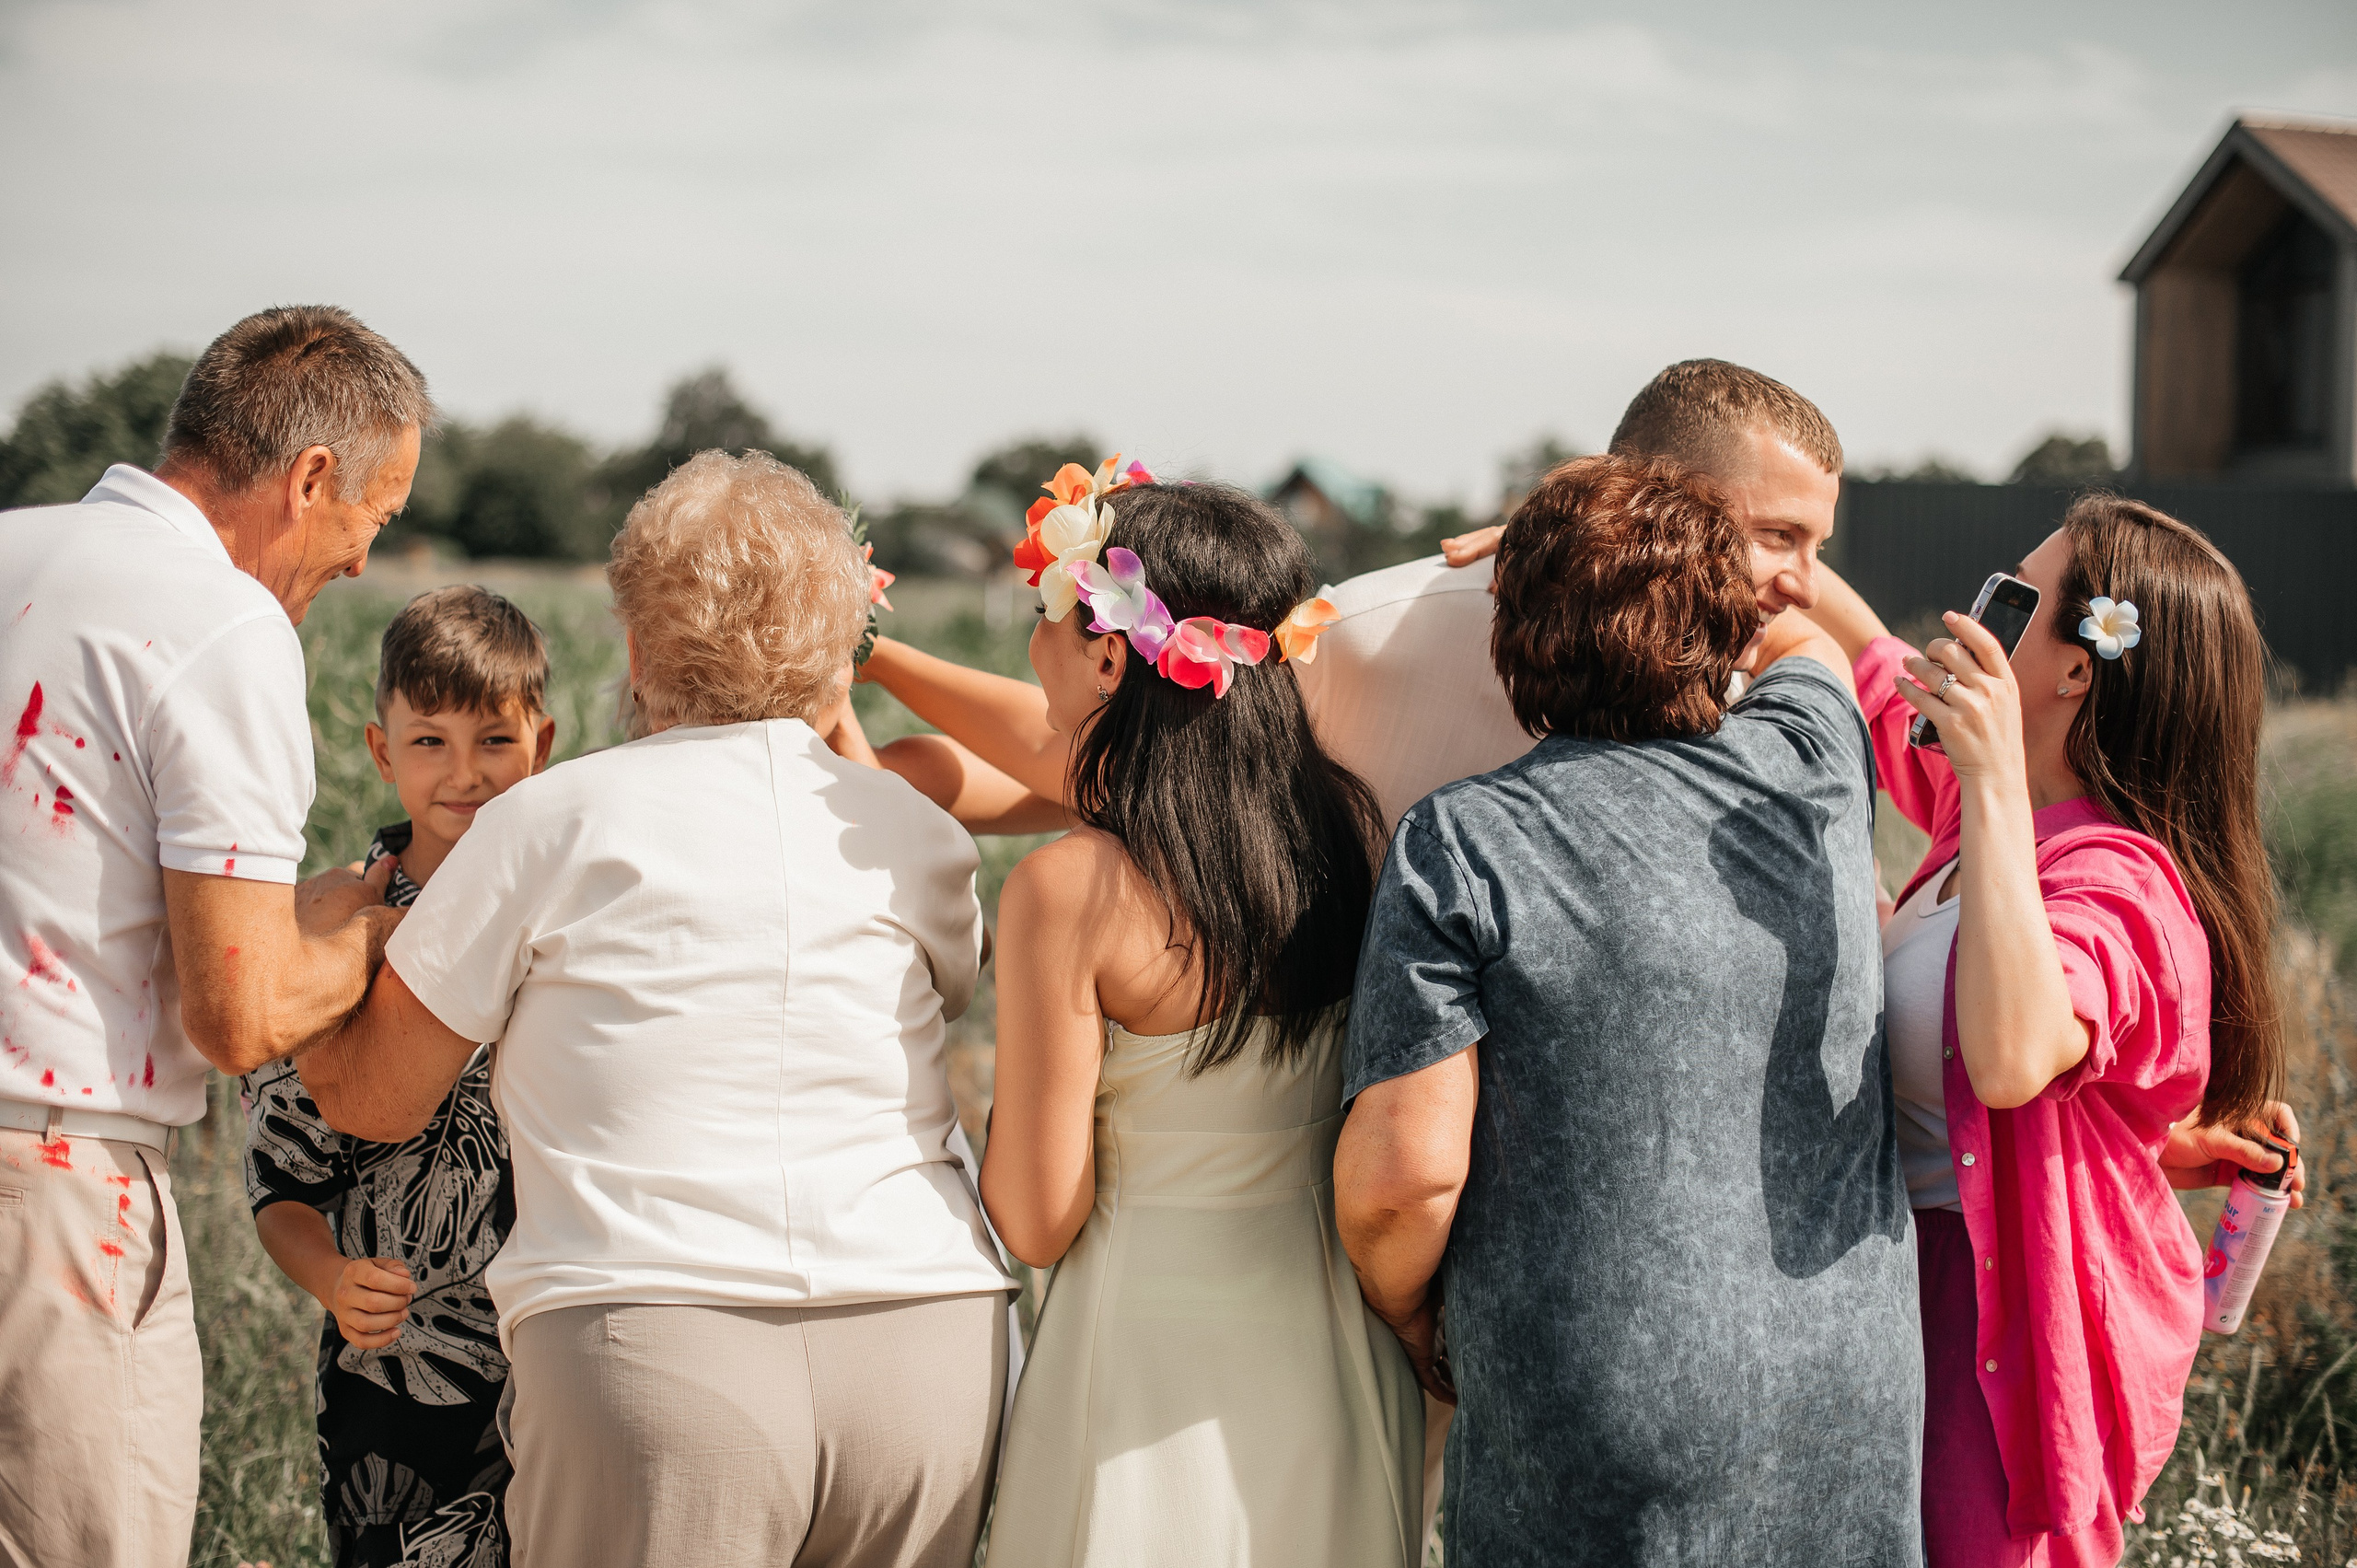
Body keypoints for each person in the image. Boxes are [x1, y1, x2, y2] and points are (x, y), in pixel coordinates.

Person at [298, 451, 1015, 1568]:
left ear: (636, 648)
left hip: (656, 1341)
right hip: (929, 1343)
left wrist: (331, 934)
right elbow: (954, 984)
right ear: (833, 652)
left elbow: (374, 1098)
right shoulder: (913, 831)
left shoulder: (548, 819)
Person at [1296, 356, 1852, 1543]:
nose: (1802, 583)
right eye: (1776, 536)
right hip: (1806, 1369)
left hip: (1483, 1318)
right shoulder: (1806, 746)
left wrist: (1412, 1316)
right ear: (1663, 495)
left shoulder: (1757, 702)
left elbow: (1405, 1176)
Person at [858, 461, 1426, 1566]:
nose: (1033, 643)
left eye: (1045, 615)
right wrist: (869, 655)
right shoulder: (1351, 829)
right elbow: (1066, 755)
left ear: (1110, 654)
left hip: (1141, 1362)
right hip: (1333, 1360)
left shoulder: (1074, 889)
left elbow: (1036, 1218)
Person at [0, 305, 424, 1568]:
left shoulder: (14, 544)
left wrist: (289, 920)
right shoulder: (224, 624)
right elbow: (237, 1016)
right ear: (310, 479)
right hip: (51, 1187)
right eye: (375, 513)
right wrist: (374, 936)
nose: (362, 559)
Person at [1803, 497, 2291, 1566]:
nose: (1974, 611)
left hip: (2003, 1341)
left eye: (2010, 596)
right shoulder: (1986, 820)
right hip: (1908, 1305)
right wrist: (1740, 543)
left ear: (2076, 666)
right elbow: (1866, 657)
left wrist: (1986, 774)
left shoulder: (2117, 880)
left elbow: (2012, 1056)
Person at [241, 587, 556, 1568]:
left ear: (541, 744)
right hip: (394, 1383)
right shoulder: (336, 928)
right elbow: (280, 1185)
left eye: (494, 740)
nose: (465, 773)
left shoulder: (572, 913)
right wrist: (333, 1278)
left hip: (562, 1357)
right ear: (382, 751)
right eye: (430, 742)